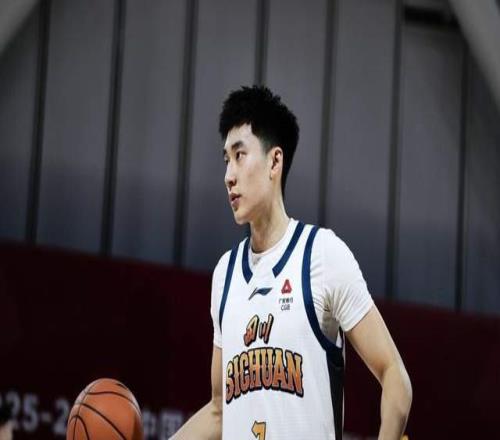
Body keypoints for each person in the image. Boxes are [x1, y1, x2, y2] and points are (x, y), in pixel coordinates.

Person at [173, 86, 412, 440]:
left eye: (240, 155)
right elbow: (219, 410)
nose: (228, 175)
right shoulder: (225, 273)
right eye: (226, 160)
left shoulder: (322, 255)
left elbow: (395, 377)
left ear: (274, 162)